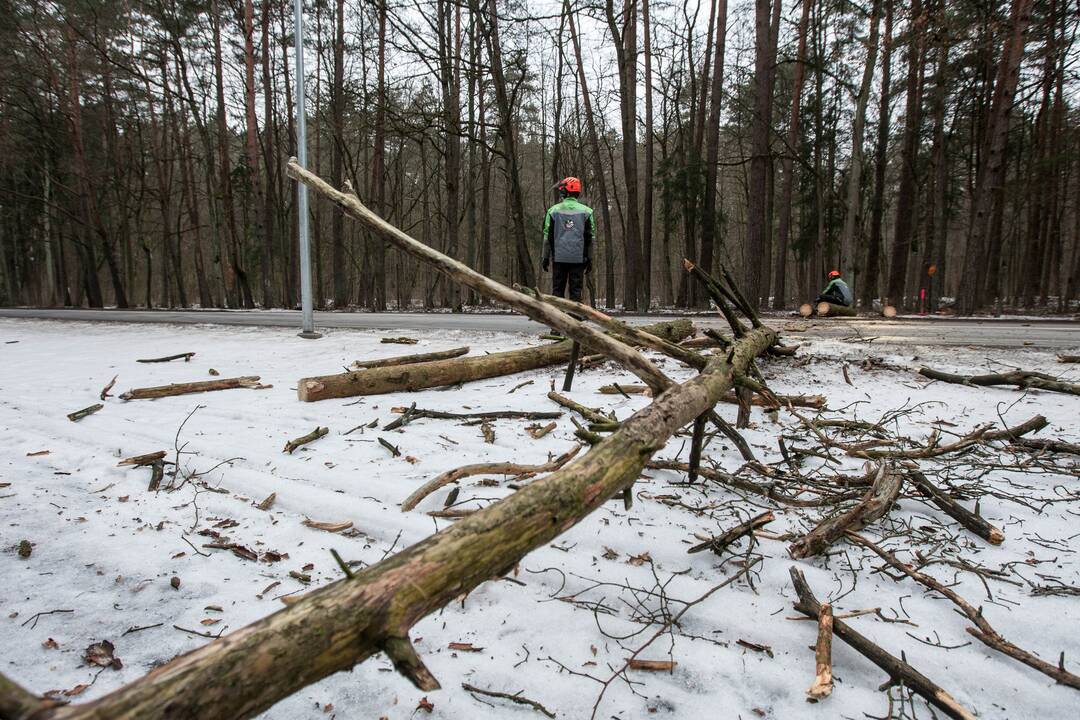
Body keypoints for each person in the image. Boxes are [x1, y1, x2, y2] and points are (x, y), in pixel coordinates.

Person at [541, 176, 595, 304]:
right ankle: (575, 317)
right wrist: (590, 258)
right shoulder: (587, 212)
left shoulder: (553, 211)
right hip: (578, 258)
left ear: (566, 191)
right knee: (576, 290)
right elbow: (590, 238)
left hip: (559, 257)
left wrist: (545, 257)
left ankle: (556, 317)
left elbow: (547, 237)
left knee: (558, 289)